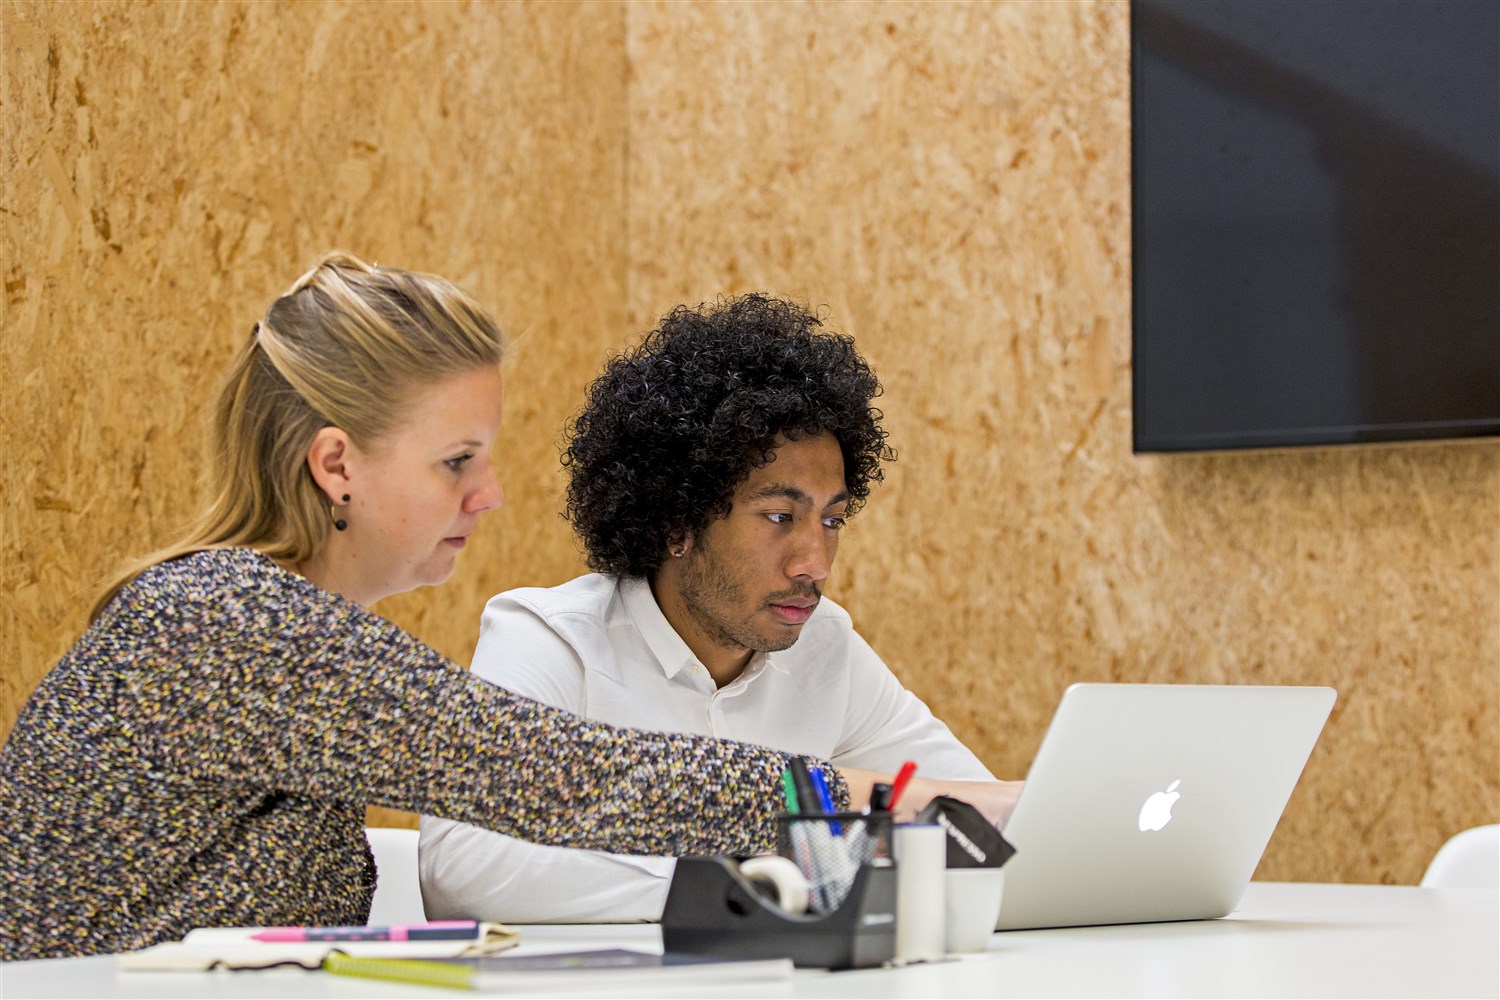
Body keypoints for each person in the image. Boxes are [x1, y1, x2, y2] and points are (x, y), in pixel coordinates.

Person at [0, 256, 986, 963]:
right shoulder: (219, 620)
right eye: (456, 462)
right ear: (337, 464)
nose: (491, 494)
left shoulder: (281, 631)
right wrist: (848, 799)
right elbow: (564, 777)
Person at [420, 294, 1020, 923]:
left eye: (833, 520)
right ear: (677, 520)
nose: (814, 562)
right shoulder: (550, 641)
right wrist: (757, 879)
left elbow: (983, 817)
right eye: (780, 517)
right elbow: (463, 870)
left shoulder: (826, 647)